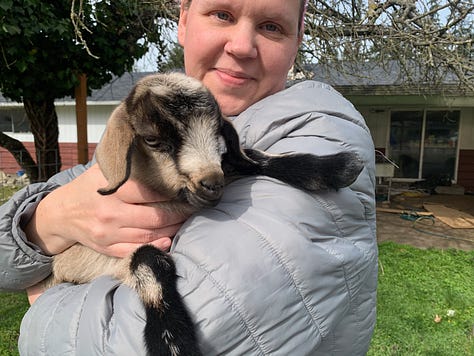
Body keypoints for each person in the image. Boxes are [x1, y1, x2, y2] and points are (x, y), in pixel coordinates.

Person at [0, 0, 378, 354]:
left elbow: (125, 343)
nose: (242, 46)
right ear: (183, 19)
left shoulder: (322, 132)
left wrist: (43, 298)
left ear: (299, 37)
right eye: (221, 14)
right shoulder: (146, 126)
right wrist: (48, 221)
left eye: (271, 26)